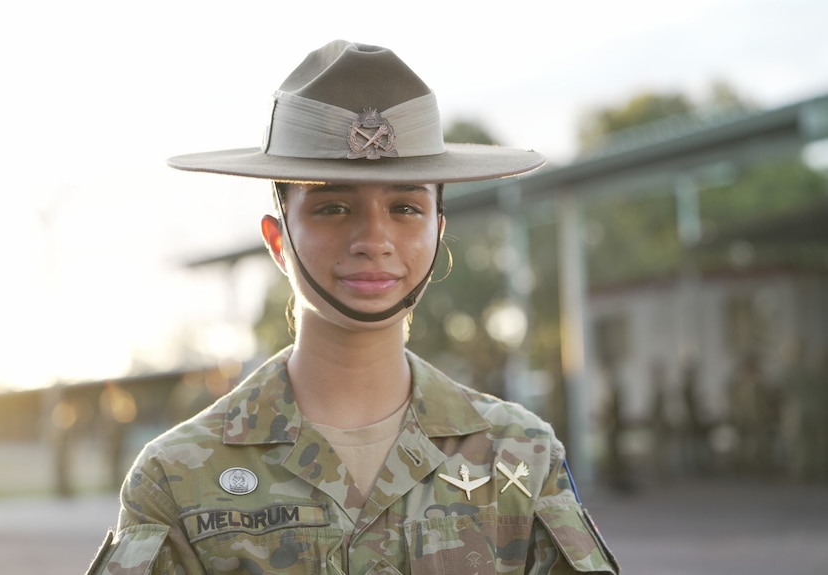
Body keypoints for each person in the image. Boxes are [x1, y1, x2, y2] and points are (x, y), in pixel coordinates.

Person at [86, 40, 619, 575]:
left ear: (438, 231)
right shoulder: (177, 477)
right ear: (278, 241)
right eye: (333, 207)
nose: (373, 238)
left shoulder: (519, 455)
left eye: (405, 207)